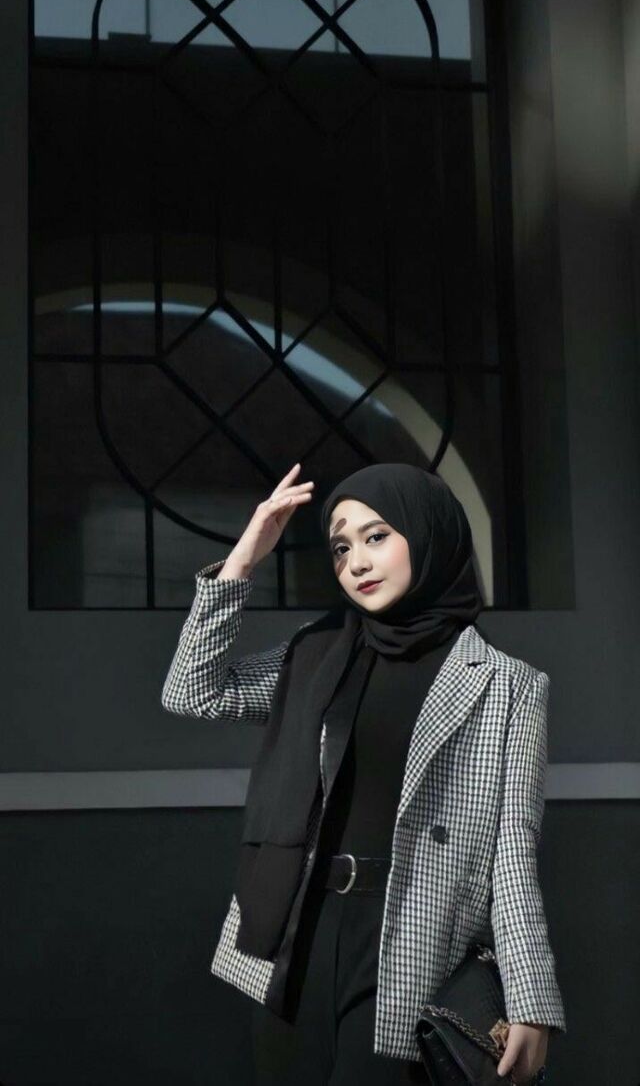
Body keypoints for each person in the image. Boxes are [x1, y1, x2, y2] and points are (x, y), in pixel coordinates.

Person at [161, 462, 566, 1085]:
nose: (356, 563)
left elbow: (513, 854)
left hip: (411, 943)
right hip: (295, 932)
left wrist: (530, 999)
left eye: (376, 536)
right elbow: (192, 690)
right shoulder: (318, 651)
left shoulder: (508, 686)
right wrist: (243, 559)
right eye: (341, 548)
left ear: (428, 533)